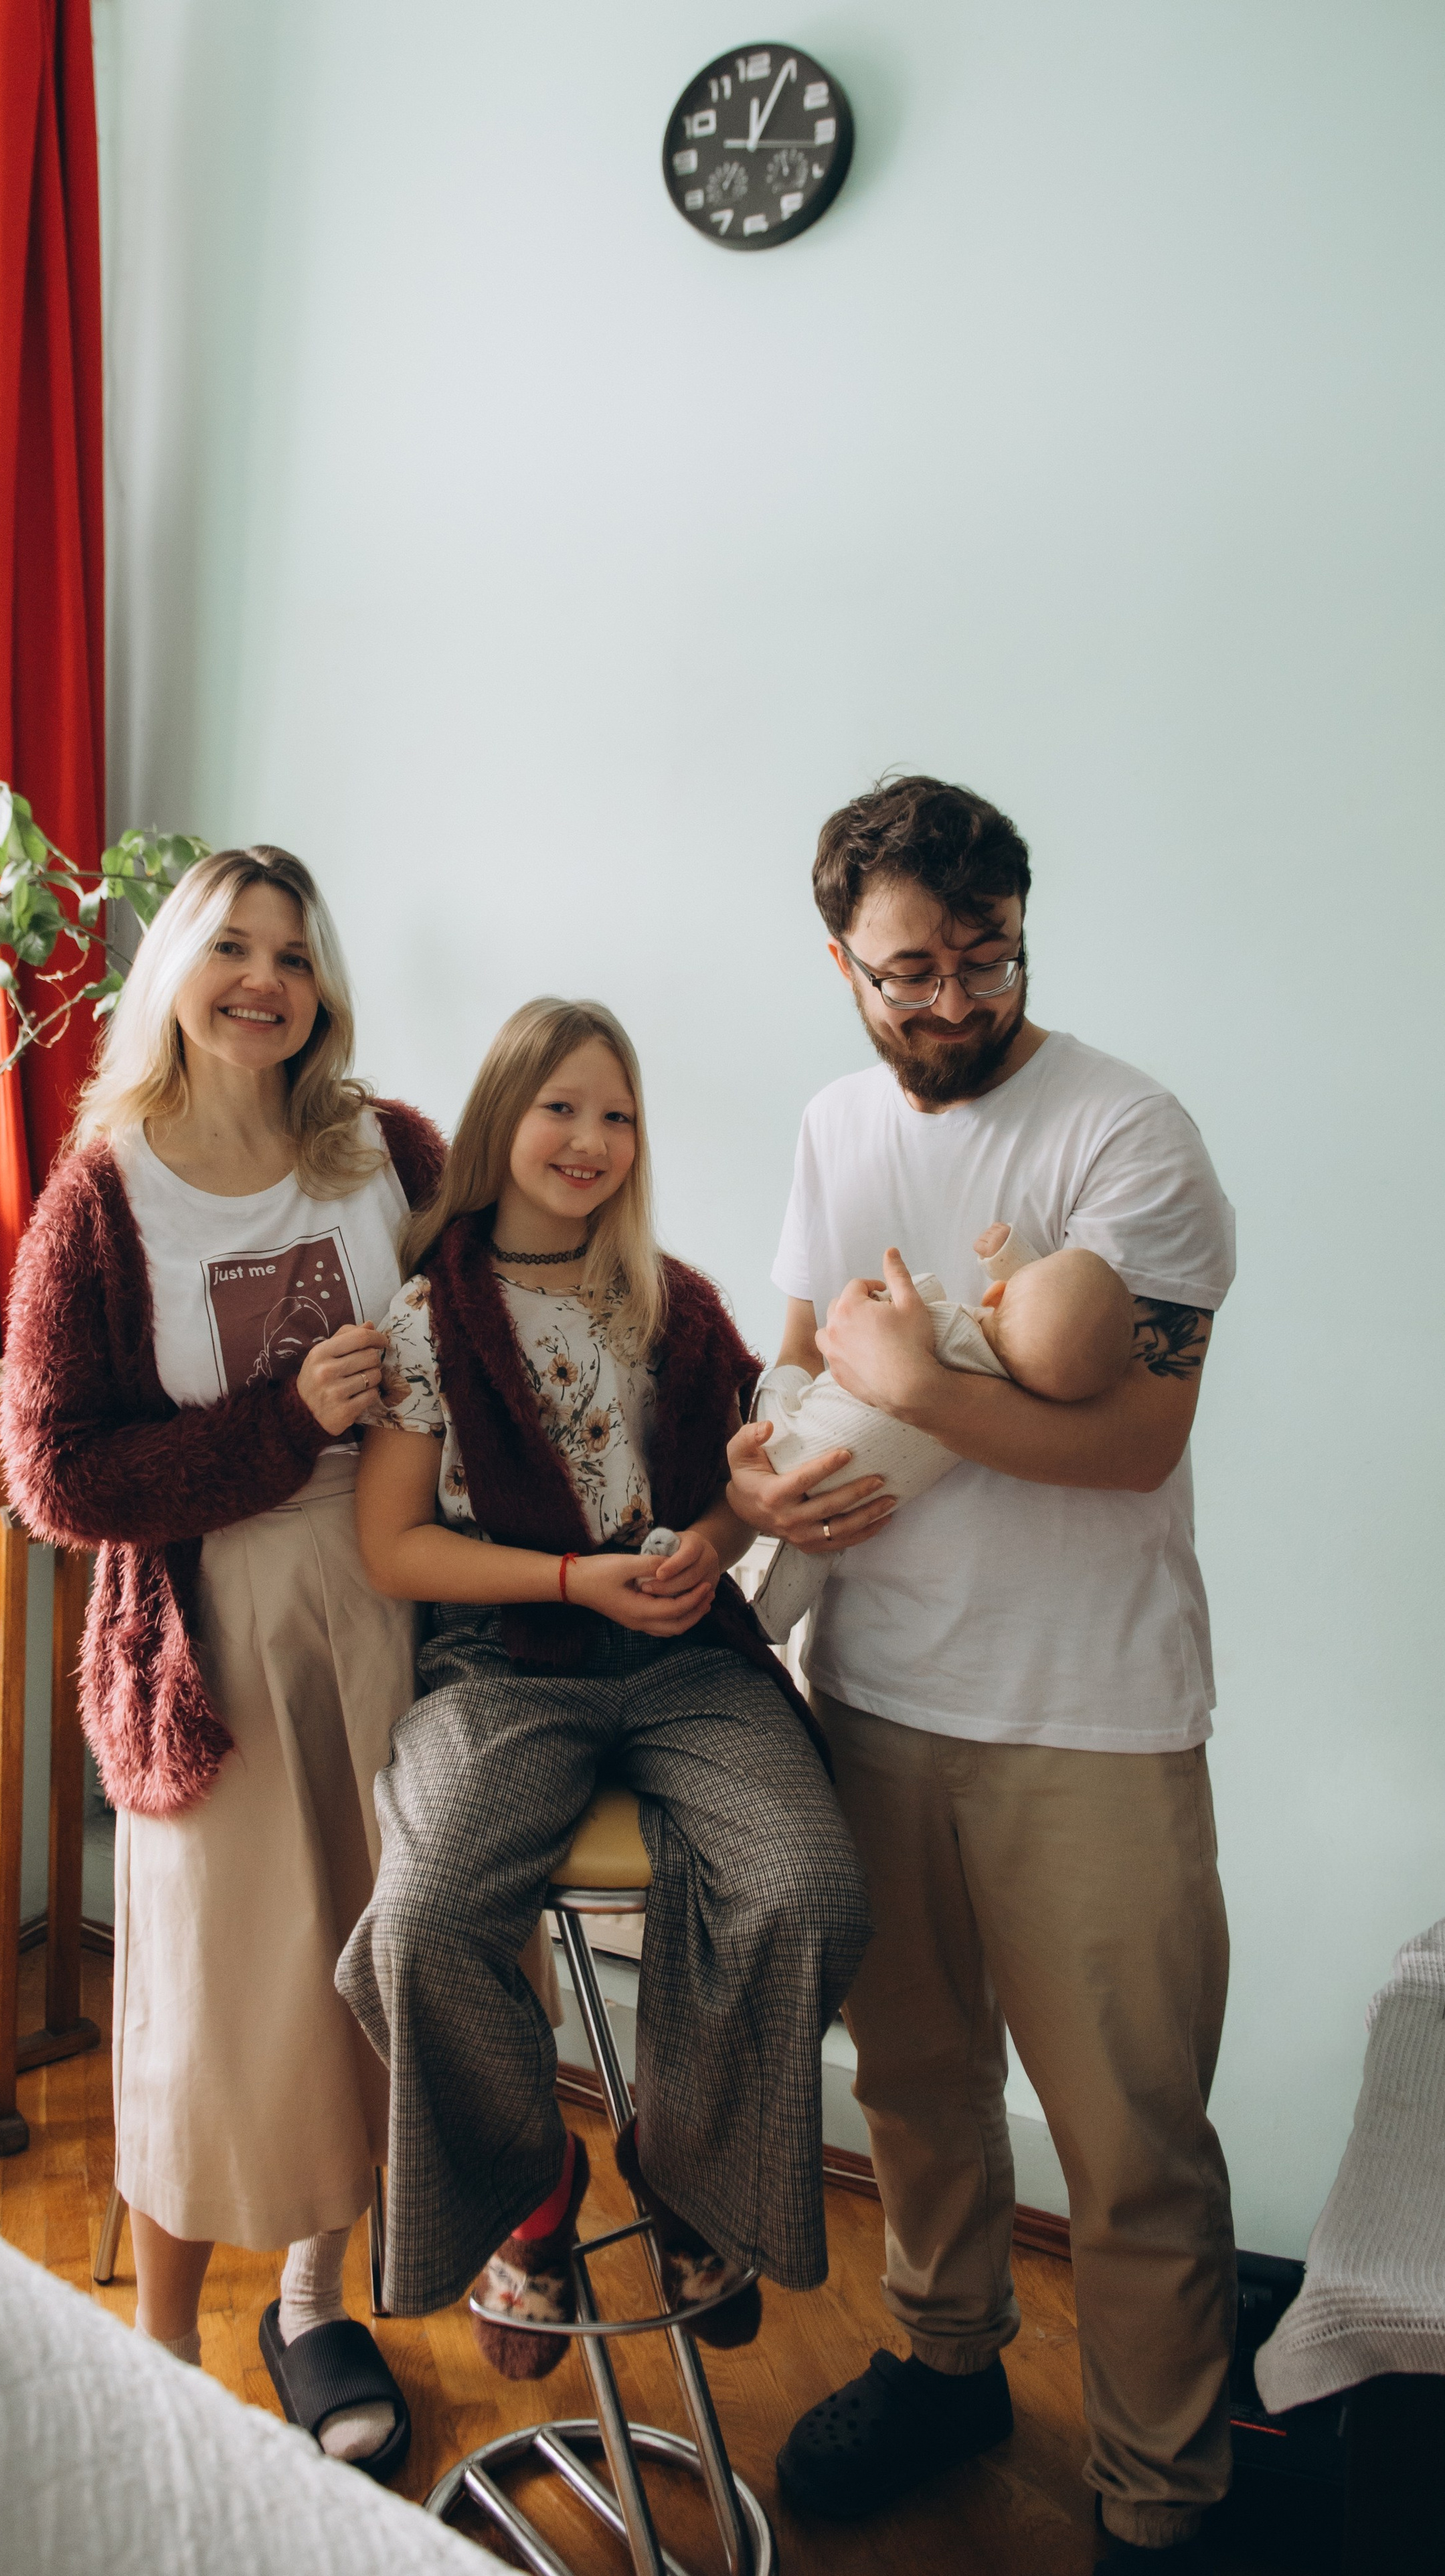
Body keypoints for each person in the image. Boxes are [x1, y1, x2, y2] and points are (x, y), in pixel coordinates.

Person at [729, 777, 1237, 2570]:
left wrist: (923, 1386)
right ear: (841, 964)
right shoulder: (831, 1125)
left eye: (986, 956)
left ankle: (1162, 2492)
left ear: (1021, 928)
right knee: (916, 2086)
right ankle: (945, 2364)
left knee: (1130, 2136)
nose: (951, 999)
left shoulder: (1126, 1133)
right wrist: (754, 1468)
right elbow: (798, 1359)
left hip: (1087, 1715)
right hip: (869, 1691)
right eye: (908, 971)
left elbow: (1135, 1441)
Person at [335, 997, 872, 2375]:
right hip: (505, 1660)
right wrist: (577, 1581)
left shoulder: (671, 1304)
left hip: (682, 1652)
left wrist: (706, 1544)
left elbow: (733, 1496)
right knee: (422, 1921)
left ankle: (685, 2169)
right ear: (500, 1120)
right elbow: (393, 1547)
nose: (589, 1138)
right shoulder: (428, 1316)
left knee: (809, 1886)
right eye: (559, 1106)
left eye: (617, 1114)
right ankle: (532, 2189)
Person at [0, 845, 442, 2478]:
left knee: (367, 1972)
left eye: (294, 954)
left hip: (395, 1606)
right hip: (214, 1634)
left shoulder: (389, 1151)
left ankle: (315, 2304)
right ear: (173, 971)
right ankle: (167, 2340)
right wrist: (278, 1422)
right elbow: (51, 1475)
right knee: (211, 1992)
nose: (264, 979)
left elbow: (508, 1317)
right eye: (231, 946)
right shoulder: (102, 1193)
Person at [751, 1221, 1133, 1639]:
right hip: (856, 1504)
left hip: (784, 1445)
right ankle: (770, 1620)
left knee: (785, 1382)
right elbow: (1058, 1320)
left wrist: (1005, 1258)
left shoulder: (947, 1325)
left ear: (997, 1294)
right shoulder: (997, 1420)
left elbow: (910, 1295)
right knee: (824, 1548)